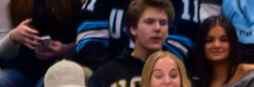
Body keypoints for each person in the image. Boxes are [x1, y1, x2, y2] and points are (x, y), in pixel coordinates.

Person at [86, 0, 173, 87]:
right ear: (133, 28)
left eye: (163, 23)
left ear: (168, 31)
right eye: (150, 22)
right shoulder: (106, 75)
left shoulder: (178, 73)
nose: (158, 28)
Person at [76, 0, 208, 68]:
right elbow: (88, 37)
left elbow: (182, 42)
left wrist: (155, 71)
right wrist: (113, 72)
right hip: (106, 67)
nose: (157, 28)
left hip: (165, 72)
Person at [0, 0, 83, 87]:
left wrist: (65, 50)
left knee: (58, 76)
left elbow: (88, 41)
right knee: (1, 80)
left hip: (60, 65)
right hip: (21, 70)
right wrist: (13, 36)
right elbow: (2, 51)